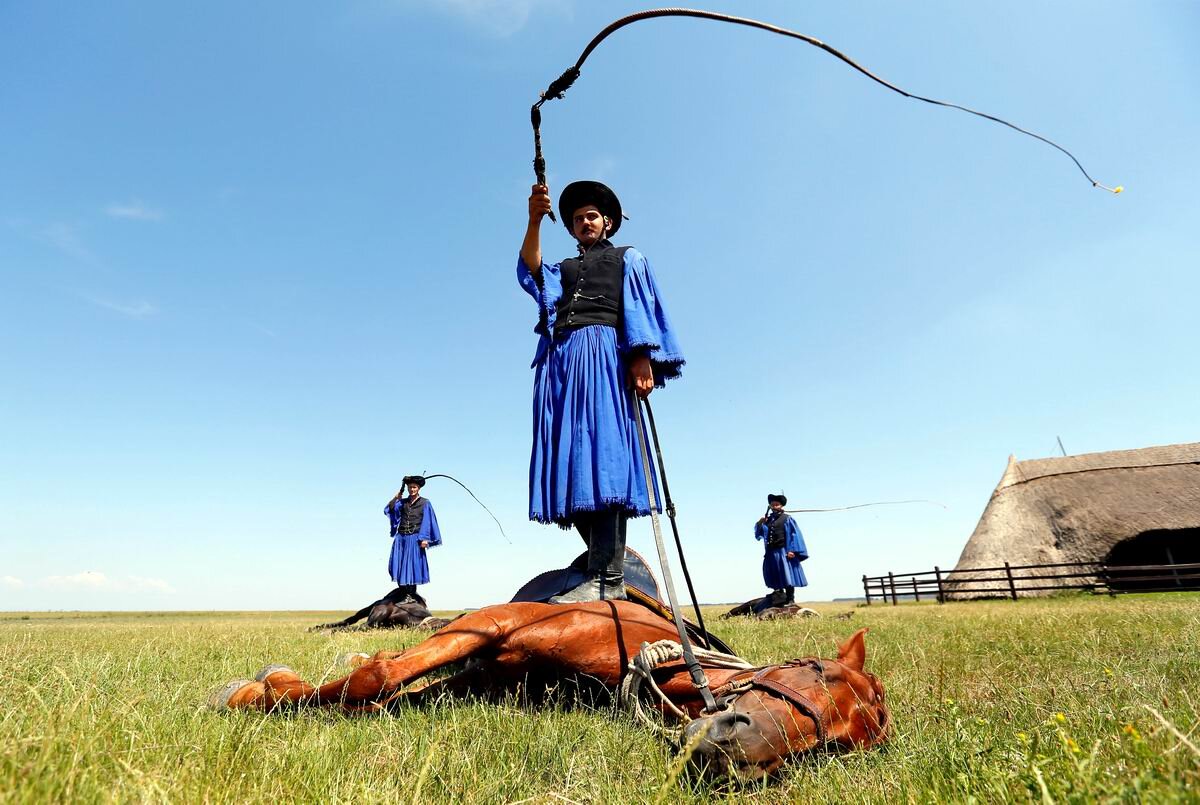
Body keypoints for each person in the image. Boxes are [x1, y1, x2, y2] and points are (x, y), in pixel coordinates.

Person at [517, 180, 684, 603]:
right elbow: (532, 270)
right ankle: (601, 567)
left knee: (604, 458)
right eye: (576, 219)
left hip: (603, 355)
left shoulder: (628, 257)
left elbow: (640, 307)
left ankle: (607, 579)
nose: (584, 222)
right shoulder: (563, 269)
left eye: (591, 216)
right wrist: (535, 218)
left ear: (607, 222)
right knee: (571, 464)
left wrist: (641, 355)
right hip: (563, 364)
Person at [383, 475, 442, 601]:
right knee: (398, 565)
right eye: (410, 487)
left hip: (415, 538)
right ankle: (403, 593)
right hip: (401, 538)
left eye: (414, 487)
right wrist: (396, 497)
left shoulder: (425, 503)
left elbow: (428, 521)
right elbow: (390, 509)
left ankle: (411, 594)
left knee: (412, 566)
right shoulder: (403, 502)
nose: (412, 489)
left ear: (418, 488)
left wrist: (425, 538)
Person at [754, 493, 808, 610]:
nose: (774, 506)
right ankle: (778, 596)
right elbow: (759, 534)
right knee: (775, 574)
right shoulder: (767, 520)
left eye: (777, 504)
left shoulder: (787, 519)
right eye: (772, 504)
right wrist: (760, 522)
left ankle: (790, 598)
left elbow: (795, 535)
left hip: (783, 550)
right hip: (771, 552)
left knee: (786, 575)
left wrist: (792, 550)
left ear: (781, 506)